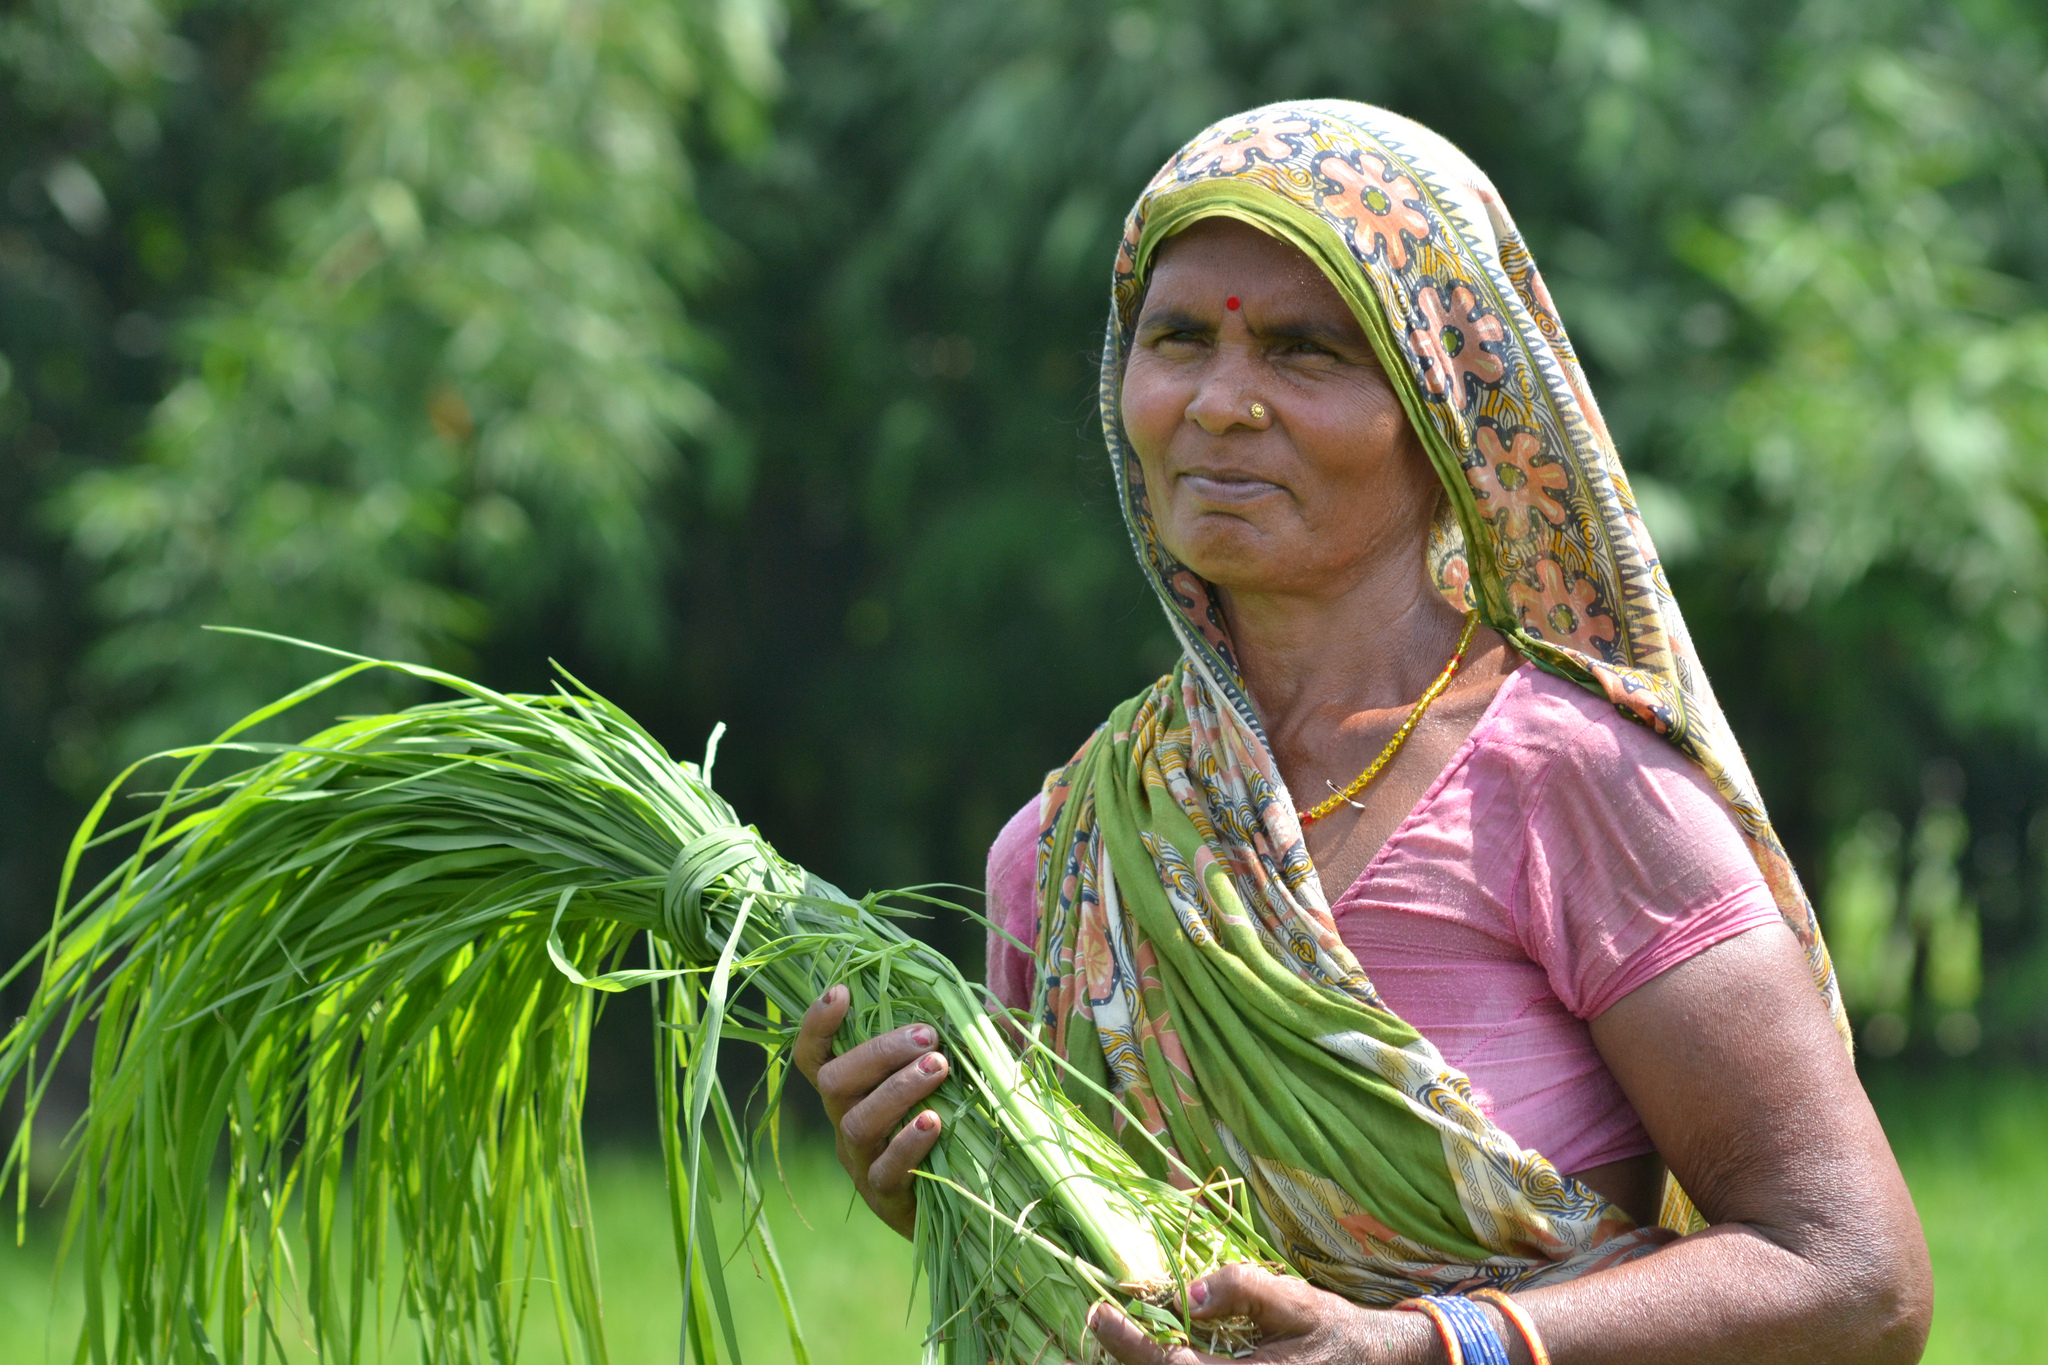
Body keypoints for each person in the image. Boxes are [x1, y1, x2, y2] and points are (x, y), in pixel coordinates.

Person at [794, 102, 1931, 1365]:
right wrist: (951, 1195)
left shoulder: (1576, 792)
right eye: (1176, 340)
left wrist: (1433, 1347)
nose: (1221, 402)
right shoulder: (1068, 853)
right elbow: (1098, 1290)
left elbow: (1855, 1278)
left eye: (1304, 350)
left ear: (1437, 409)